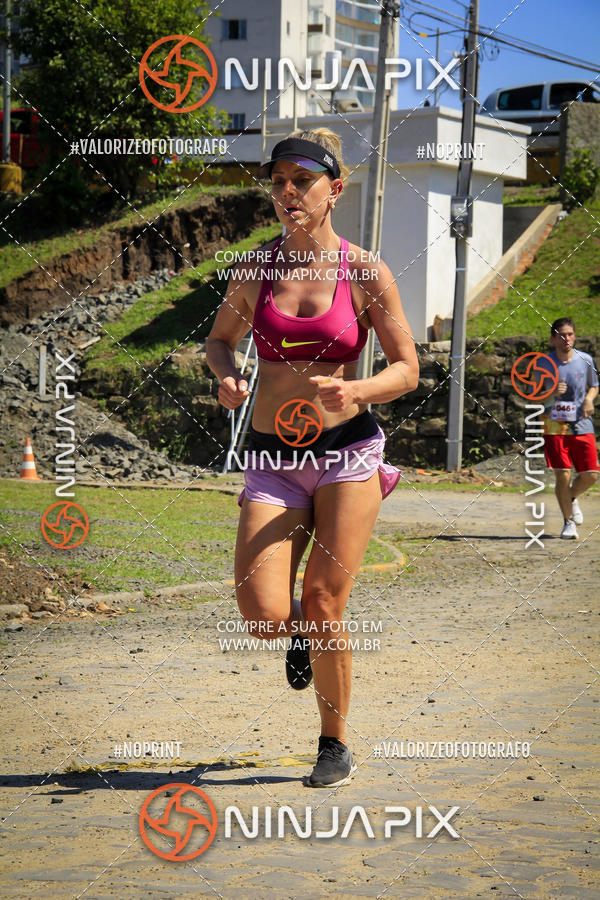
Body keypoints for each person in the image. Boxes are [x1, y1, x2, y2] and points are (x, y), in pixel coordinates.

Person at [206, 129, 419, 787]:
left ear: (336, 190)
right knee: (265, 616)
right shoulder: (256, 269)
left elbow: (408, 368)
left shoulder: (365, 272)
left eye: (302, 180)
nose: (287, 193)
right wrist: (227, 374)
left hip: (347, 454)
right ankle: (296, 630)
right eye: (277, 182)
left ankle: (333, 744)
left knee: (326, 602)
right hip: (274, 456)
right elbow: (219, 340)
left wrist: (358, 388)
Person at [539, 317, 599, 539]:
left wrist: (589, 400)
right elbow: (534, 397)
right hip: (553, 422)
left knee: (591, 475)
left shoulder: (585, 359)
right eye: (562, 335)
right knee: (563, 475)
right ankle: (568, 522)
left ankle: (571, 498)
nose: (567, 339)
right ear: (553, 338)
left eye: (570, 334)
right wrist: (551, 393)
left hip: (582, 422)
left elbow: (594, 385)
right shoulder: (544, 363)